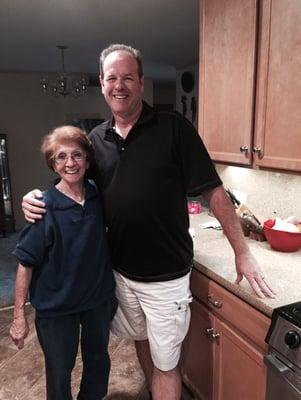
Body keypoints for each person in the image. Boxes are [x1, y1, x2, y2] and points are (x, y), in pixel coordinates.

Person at [22, 44, 275, 400]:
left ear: (141, 82)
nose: (119, 85)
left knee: (167, 365)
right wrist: (36, 197)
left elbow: (213, 191)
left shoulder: (174, 129)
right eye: (112, 78)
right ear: (102, 82)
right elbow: (72, 182)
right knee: (141, 342)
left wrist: (242, 251)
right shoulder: (96, 141)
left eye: (128, 77)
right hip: (121, 274)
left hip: (166, 279)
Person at [10, 126, 116, 400]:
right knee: (59, 372)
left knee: (98, 364)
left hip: (96, 302)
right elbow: (25, 264)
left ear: (88, 161)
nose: (70, 163)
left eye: (77, 155)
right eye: (61, 157)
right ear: (53, 163)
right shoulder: (43, 207)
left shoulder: (97, 196)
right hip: (57, 309)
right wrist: (19, 317)